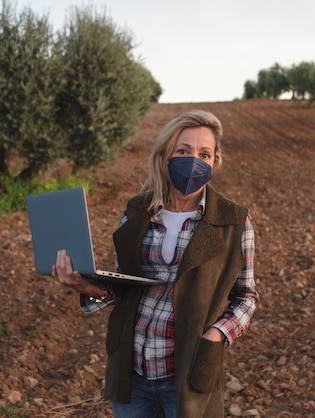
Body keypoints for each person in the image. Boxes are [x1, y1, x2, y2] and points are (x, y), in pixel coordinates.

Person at [53, 109, 258, 418]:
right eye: (184, 151)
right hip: (132, 370)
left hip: (188, 370)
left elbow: (246, 296)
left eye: (205, 154)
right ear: (166, 155)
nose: (194, 161)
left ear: (214, 163)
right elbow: (123, 286)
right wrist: (83, 285)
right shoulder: (138, 210)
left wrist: (215, 336)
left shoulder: (234, 222)